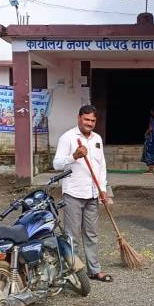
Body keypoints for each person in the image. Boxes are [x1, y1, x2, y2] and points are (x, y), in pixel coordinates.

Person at [53, 105, 112, 282]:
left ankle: (94, 270)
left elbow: (101, 166)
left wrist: (103, 188)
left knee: (91, 234)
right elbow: (56, 164)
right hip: (73, 193)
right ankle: (73, 272)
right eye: (86, 119)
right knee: (72, 236)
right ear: (79, 118)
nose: (90, 123)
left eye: (93, 120)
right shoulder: (68, 137)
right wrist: (74, 156)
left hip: (92, 193)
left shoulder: (97, 138)